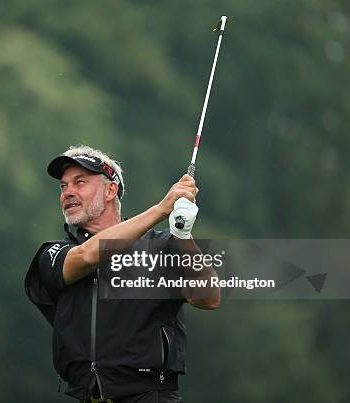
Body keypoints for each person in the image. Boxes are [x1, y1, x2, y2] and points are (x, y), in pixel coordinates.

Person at [25, 145, 220, 402]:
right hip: (88, 396)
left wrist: (183, 237)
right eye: (63, 186)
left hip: (151, 395)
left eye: (79, 182)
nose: (68, 193)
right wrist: (161, 209)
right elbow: (87, 256)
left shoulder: (161, 247)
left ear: (110, 190)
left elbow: (208, 298)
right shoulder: (54, 253)